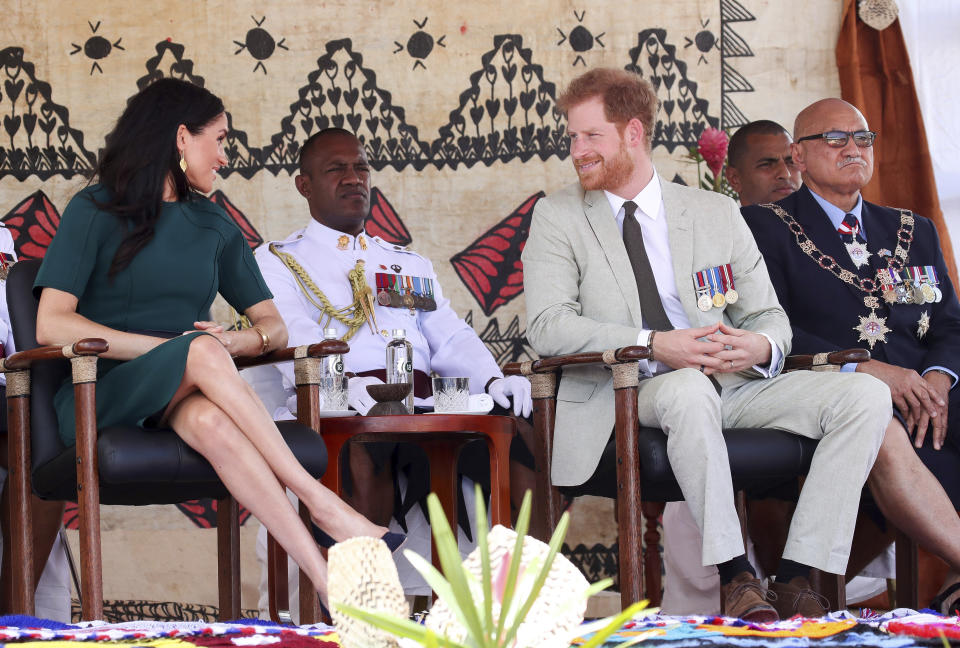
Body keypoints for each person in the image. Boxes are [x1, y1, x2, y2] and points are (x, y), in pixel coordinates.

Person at [521, 68, 891, 620]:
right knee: (689, 388)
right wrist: (654, 344)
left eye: (590, 136)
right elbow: (547, 326)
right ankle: (736, 573)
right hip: (626, 392)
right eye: (572, 137)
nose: (577, 151)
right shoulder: (557, 217)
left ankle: (795, 575)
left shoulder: (714, 212)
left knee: (864, 397)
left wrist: (760, 347)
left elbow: (769, 315)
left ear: (632, 133)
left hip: (731, 384)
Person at [32, 78, 400, 607]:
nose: (228, 156)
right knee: (200, 352)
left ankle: (329, 584)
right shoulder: (94, 209)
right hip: (100, 393)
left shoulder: (213, 222)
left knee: (211, 417)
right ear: (182, 137)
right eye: (221, 139)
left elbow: (275, 327)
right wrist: (169, 351)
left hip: (188, 390)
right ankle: (323, 504)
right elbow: (52, 324)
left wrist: (237, 341)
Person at [743, 98, 960, 615]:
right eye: (834, 138)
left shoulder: (913, 229)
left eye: (862, 138)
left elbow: (950, 322)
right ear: (798, 154)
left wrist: (938, 378)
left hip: (930, 394)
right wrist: (864, 368)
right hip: (836, 393)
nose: (853, 149)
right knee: (875, 414)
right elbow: (766, 328)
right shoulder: (764, 226)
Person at [253, 127, 534, 526]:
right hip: (335, 404)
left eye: (361, 168)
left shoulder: (407, 263)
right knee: (362, 438)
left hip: (420, 407)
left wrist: (491, 382)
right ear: (304, 185)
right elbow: (293, 333)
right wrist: (343, 386)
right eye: (336, 169)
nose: (354, 178)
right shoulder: (277, 260)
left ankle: (519, 580)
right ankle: (362, 587)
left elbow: (450, 336)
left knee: (521, 431)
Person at [0, 224, 71, 621]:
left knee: (41, 450)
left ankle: (14, 619)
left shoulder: (2, 238)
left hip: (6, 386)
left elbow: (16, 331)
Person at [724, 120, 801, 207]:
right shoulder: (723, 220)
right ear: (735, 179)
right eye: (766, 164)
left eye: (791, 162)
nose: (786, 174)